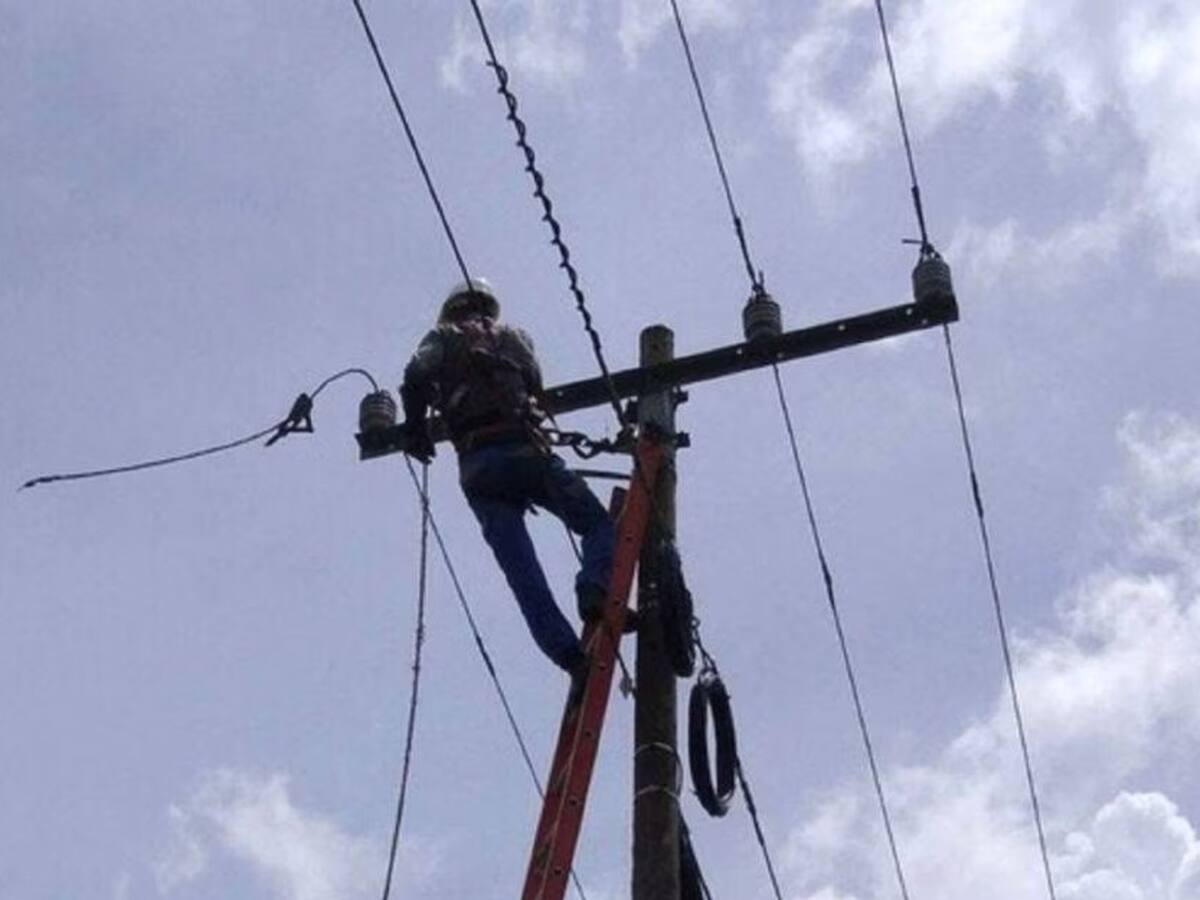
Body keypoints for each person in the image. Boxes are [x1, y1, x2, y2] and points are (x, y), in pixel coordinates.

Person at [399, 278, 624, 691]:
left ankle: (568, 655)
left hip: (478, 469)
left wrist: (414, 431)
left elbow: (414, 374)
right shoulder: (514, 338)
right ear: (489, 307)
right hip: (526, 452)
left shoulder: (442, 338)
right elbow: (535, 386)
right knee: (596, 524)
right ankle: (594, 588)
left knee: (522, 573)